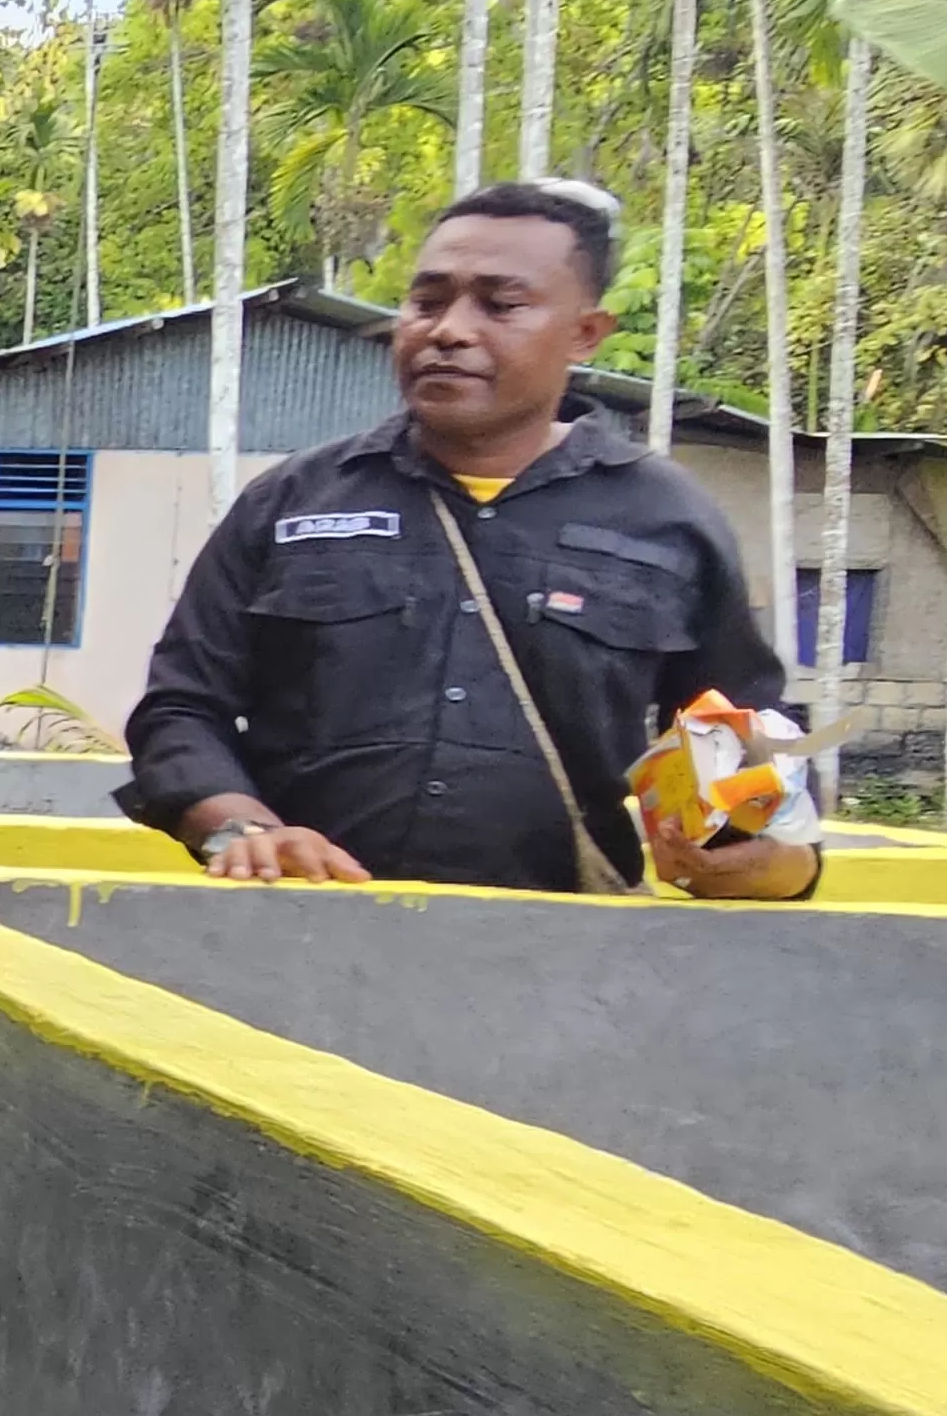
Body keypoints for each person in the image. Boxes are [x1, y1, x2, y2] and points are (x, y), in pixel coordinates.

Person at [119, 180, 811, 899]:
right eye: (426, 301)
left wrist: (778, 860)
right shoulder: (290, 501)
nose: (447, 329)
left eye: (500, 305)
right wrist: (243, 828)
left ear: (584, 334)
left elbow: (749, 732)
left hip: (568, 962)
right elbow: (180, 709)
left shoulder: (669, 518)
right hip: (296, 933)